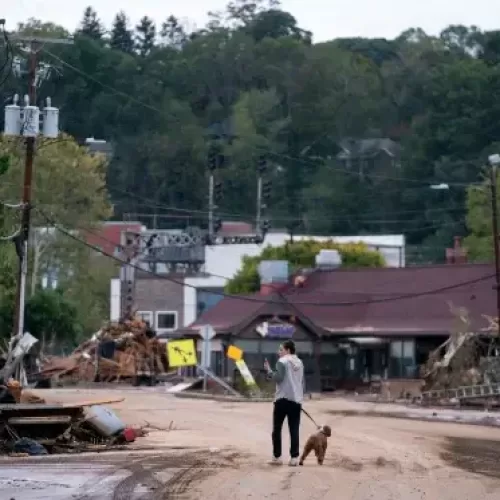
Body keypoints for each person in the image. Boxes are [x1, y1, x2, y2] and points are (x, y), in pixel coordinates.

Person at [264, 339, 305, 467]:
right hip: (296, 400)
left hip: (282, 399)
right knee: (294, 429)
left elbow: (279, 378)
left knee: (277, 429)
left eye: (281, 349)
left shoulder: (282, 361)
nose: (278, 352)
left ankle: (277, 457)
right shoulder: (299, 362)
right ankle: (294, 458)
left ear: (288, 350)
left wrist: (269, 371)